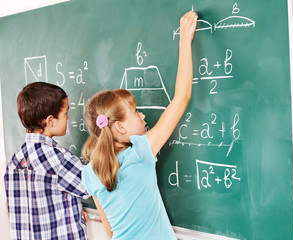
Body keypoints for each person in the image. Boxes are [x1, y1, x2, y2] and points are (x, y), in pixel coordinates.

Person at [81, 11, 198, 240]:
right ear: (120, 129)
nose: (143, 115)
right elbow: (181, 98)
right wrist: (185, 40)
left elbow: (110, 230)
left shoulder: (90, 172)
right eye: (135, 112)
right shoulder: (140, 152)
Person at [4, 82, 90, 240]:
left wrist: (70, 207)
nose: (68, 117)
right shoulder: (57, 159)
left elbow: (13, 207)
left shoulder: (15, 160)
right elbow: (92, 184)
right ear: (50, 121)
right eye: (65, 113)